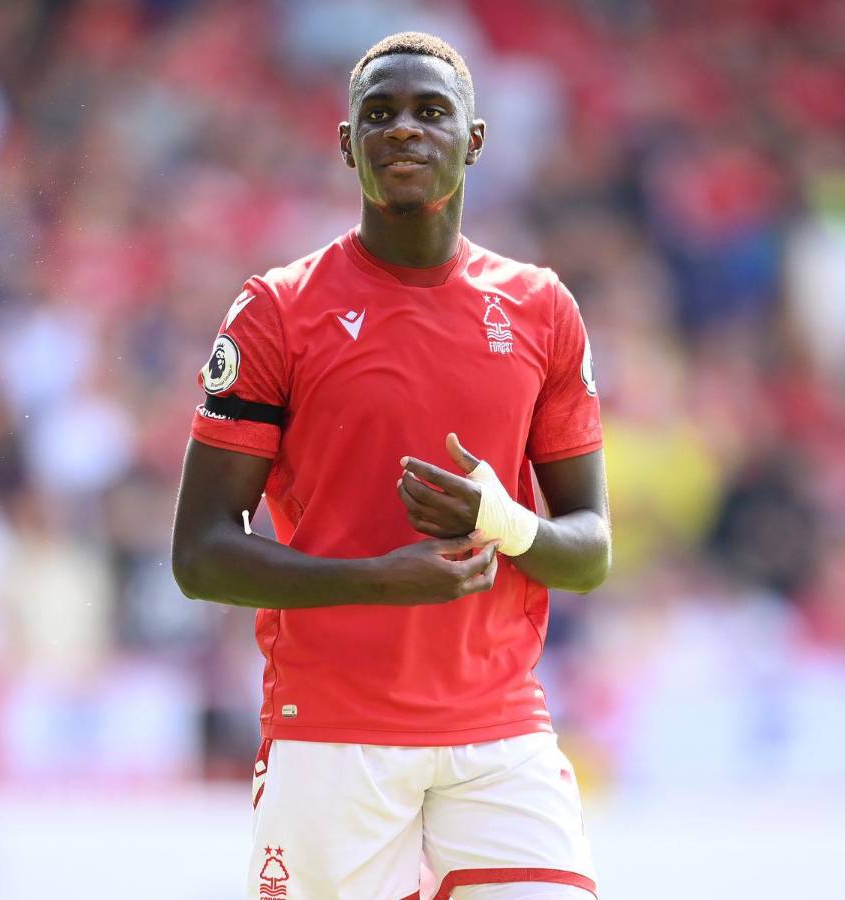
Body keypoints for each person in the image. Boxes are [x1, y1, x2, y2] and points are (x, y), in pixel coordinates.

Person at [172, 31, 610, 900]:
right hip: (332, 732)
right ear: (347, 144)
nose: (403, 129)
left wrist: (501, 520)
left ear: (474, 140)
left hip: (499, 730)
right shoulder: (277, 312)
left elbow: (589, 551)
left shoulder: (542, 310)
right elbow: (200, 555)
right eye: (378, 114)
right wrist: (379, 579)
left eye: (430, 111)